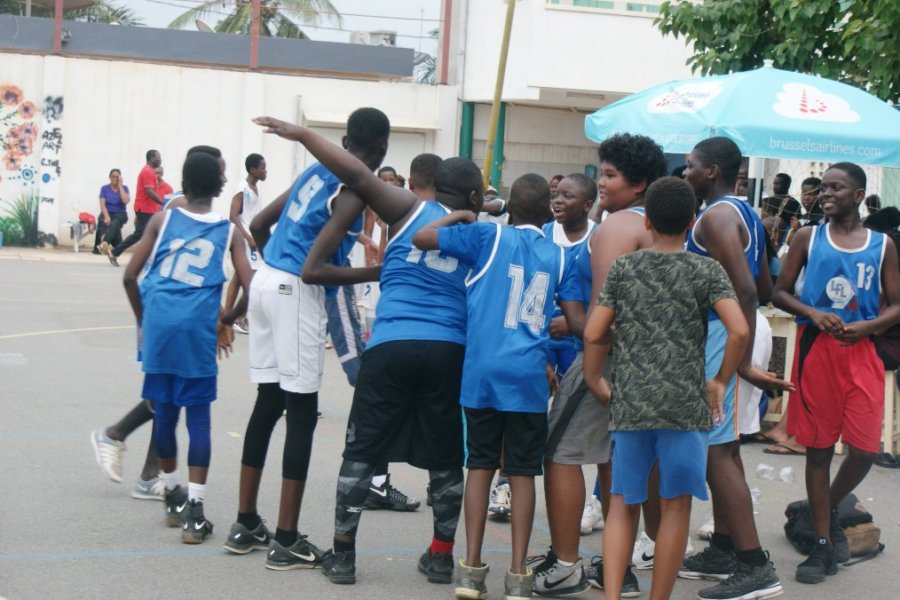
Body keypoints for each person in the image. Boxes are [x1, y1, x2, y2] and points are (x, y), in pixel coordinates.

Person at [255, 115, 484, 586]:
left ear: (431, 186)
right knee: (445, 458)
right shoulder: (485, 234)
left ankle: (342, 556)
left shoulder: (406, 209)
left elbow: (356, 174)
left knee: (360, 451)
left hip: (392, 344)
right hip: (447, 349)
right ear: (476, 199)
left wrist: (302, 134)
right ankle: (441, 556)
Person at [221, 109, 389, 567]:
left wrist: (273, 269)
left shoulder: (315, 170)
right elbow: (316, 270)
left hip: (265, 279)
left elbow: (258, 228)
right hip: (295, 289)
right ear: (379, 151)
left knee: (267, 404)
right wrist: (380, 270)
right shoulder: (353, 189)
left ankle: (246, 522)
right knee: (301, 413)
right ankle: (287, 538)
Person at [582, 176, 749, 600]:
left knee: (622, 502)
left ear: (648, 222)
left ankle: (613, 595)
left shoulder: (625, 267)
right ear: (692, 220)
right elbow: (739, 330)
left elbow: (595, 332)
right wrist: (720, 380)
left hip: (632, 403)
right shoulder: (705, 269)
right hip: (685, 405)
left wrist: (595, 377)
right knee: (676, 505)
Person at [413, 173, 576, 600]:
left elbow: (423, 236)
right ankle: (519, 574)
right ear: (547, 212)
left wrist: (467, 214)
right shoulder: (559, 256)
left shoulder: (485, 236)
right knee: (522, 472)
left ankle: (471, 567)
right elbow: (575, 320)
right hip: (526, 376)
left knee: (480, 465)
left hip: (483, 370)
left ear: (506, 205)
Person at [534, 133, 668, 598]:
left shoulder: (615, 229)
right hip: (654, 361)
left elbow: (601, 315)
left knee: (560, 452)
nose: (602, 183)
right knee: (620, 459)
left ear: (640, 184)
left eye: (610, 175)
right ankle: (619, 570)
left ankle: (566, 564)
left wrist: (589, 373)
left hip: (608, 357)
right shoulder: (664, 229)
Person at [772, 162, 900, 584]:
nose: (825, 194)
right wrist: (812, 312)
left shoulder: (882, 244)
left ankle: (819, 507)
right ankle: (823, 545)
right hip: (818, 352)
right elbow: (780, 291)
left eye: (836, 188)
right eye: (823, 187)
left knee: (864, 449)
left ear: (859, 195)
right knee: (819, 449)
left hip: (860, 350)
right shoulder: (808, 236)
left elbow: (896, 304)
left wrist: (870, 326)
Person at [122, 151, 251, 543]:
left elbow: (130, 275)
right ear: (220, 186)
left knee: (164, 413)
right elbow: (251, 283)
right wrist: (227, 319)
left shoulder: (163, 219)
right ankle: (195, 513)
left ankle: (172, 493)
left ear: (183, 183)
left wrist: (145, 319)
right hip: (196, 329)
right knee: (198, 421)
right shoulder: (229, 229)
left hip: (160, 324)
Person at [680, 137, 789, 600]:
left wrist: (739, 363)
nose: (685, 172)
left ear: (711, 171)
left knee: (715, 452)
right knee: (725, 446)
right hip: (736, 331)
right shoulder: (743, 212)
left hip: (726, 335)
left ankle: (754, 565)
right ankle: (724, 546)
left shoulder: (717, 216)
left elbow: (745, 289)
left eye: (690, 166)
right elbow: (765, 282)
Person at [90, 146, 228, 501]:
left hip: (166, 312)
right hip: (163, 311)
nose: (224, 178)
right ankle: (121, 440)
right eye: (221, 170)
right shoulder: (180, 209)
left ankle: (152, 474)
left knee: (168, 397)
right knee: (169, 398)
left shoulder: (181, 204)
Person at [224, 153, 267, 335]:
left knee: (240, 278)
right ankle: (237, 317)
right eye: (262, 167)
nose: (265, 171)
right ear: (252, 169)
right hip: (244, 239)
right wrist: (248, 238)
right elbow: (233, 216)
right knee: (249, 278)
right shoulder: (242, 189)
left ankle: (231, 316)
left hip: (252, 238)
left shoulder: (254, 188)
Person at [106, 150, 164, 266]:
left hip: (148, 209)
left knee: (152, 233)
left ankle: (151, 259)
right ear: (151, 158)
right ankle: (114, 252)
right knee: (140, 234)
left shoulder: (149, 171)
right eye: (158, 158)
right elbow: (149, 192)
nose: (160, 160)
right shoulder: (147, 171)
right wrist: (163, 202)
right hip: (145, 209)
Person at [95, 168, 130, 256]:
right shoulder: (104, 188)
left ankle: (104, 243)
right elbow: (102, 204)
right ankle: (116, 245)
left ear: (120, 178)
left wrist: (120, 186)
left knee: (115, 222)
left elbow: (125, 201)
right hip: (107, 211)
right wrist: (106, 216)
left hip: (120, 213)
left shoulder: (125, 188)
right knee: (102, 221)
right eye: (113, 176)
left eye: (117, 177)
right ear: (110, 177)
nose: (115, 178)